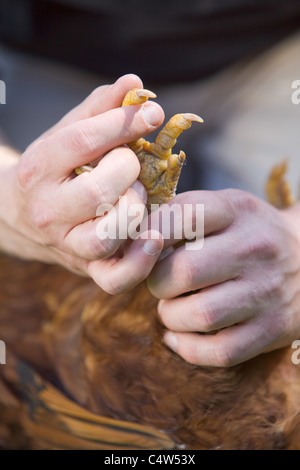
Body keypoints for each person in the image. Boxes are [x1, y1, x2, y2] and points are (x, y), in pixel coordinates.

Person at [1, 1, 300, 368]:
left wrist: (296, 236)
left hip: (277, 55)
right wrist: (9, 198)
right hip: (42, 59)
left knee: (250, 312)